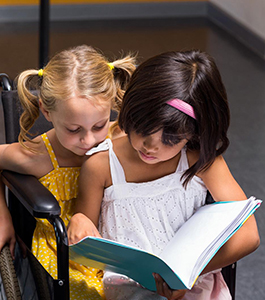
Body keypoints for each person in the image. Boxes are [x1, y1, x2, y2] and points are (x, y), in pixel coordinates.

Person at [67, 49, 260, 300]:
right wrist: (79, 220)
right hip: (129, 288)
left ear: (193, 133)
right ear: (130, 113)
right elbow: (85, 242)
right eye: (143, 129)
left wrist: (188, 276)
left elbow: (249, 235)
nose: (151, 146)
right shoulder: (102, 165)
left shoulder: (200, 160)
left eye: (170, 139)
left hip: (194, 281)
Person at [0, 44, 136, 299]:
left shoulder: (120, 137)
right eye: (74, 130)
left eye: (99, 125)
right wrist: (3, 217)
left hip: (118, 243)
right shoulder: (38, 155)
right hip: (65, 254)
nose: (89, 140)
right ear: (46, 111)